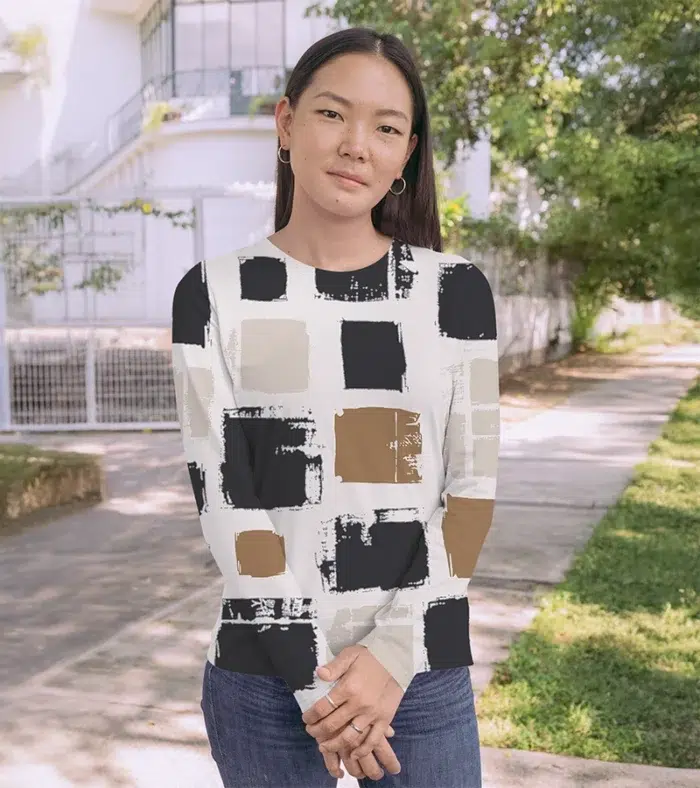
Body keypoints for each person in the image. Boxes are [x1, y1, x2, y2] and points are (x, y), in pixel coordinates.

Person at [171, 26, 500, 788]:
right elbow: (226, 502)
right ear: (287, 123)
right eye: (331, 114)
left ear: (406, 154)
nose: (356, 145)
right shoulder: (213, 294)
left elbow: (471, 497)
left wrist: (389, 657)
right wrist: (317, 688)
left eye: (385, 128)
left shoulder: (455, 292)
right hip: (263, 676)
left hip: (419, 671)